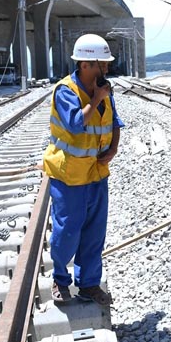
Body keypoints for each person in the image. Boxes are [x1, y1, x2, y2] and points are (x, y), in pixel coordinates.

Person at [42, 34, 124, 306]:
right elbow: (76, 124)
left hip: (97, 174)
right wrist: (97, 98)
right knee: (67, 232)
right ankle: (60, 279)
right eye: (103, 64)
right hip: (70, 175)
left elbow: (115, 122)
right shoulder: (66, 91)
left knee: (94, 233)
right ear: (86, 64)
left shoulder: (104, 90)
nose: (107, 68)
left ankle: (88, 284)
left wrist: (113, 148)